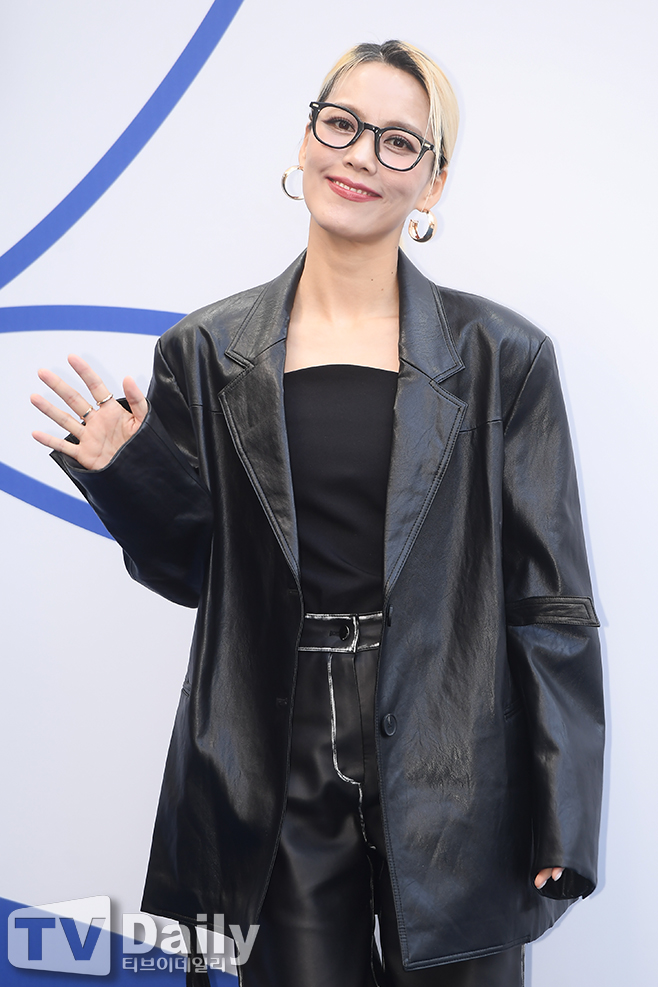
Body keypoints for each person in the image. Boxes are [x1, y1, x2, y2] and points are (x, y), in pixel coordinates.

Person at [31, 40, 604, 987]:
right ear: (305, 142)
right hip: (269, 748)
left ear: (433, 182)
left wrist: (563, 808)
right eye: (341, 125)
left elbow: (552, 603)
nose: (360, 155)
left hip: (453, 753)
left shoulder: (504, 357)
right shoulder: (205, 352)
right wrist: (128, 476)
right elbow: (197, 575)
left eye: (397, 141)